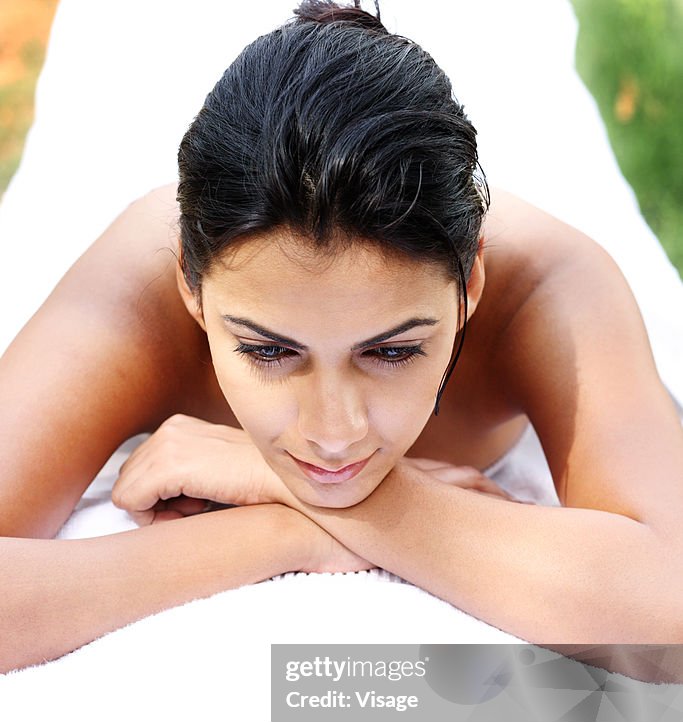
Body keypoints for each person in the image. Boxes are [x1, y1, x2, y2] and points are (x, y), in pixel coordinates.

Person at [1, 0, 682, 674]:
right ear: (192, 288)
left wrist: (285, 481)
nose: (333, 433)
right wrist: (284, 529)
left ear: (469, 285)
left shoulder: (543, 286)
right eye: (269, 351)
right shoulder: (139, 289)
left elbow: (667, 607)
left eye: (391, 352)